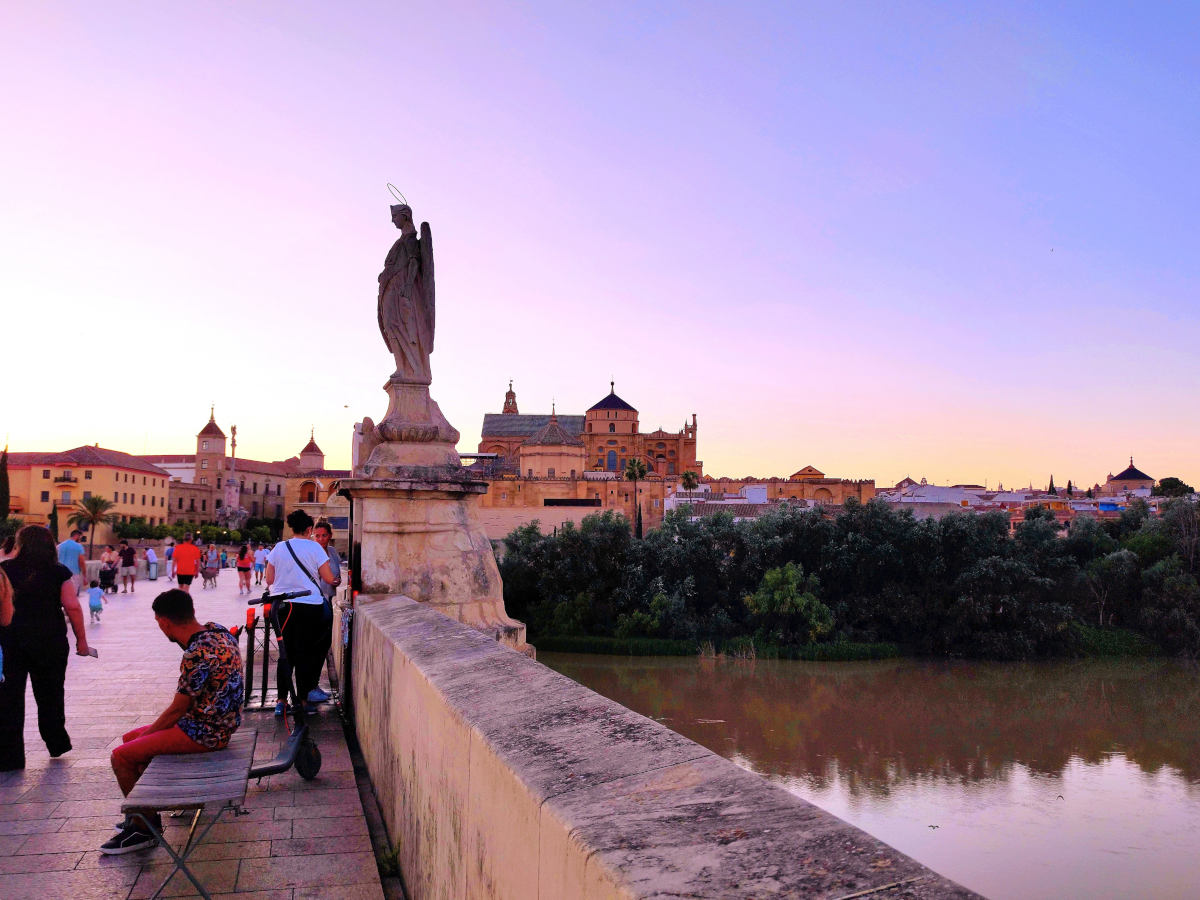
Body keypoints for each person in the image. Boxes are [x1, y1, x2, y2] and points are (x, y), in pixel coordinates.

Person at [101, 589, 243, 855]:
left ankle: (145, 830)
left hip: (205, 732)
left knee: (121, 756)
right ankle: (142, 812)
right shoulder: (218, 631)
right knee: (129, 741)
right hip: (220, 723)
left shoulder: (195, 653)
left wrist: (149, 736)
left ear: (164, 622)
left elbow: (177, 710)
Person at [0, 525, 91, 771]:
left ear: (20, 544)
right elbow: (72, 607)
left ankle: (10, 758)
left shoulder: (4, 570)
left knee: (8, 698)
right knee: (50, 694)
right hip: (49, 641)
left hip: (11, 641)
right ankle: (56, 742)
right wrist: (81, 641)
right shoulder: (58, 571)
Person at [266, 510, 334, 714]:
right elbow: (329, 578)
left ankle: (281, 701)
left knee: (286, 654)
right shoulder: (314, 547)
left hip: (283, 606)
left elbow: (269, 579)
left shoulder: (279, 547)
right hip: (308, 605)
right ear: (309, 529)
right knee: (305, 653)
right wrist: (337, 581)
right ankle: (303, 701)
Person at [307, 521, 342, 703]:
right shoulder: (312, 553)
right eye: (317, 535)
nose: (320, 539)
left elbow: (337, 574)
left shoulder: (333, 553)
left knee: (323, 647)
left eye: (324, 535)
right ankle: (309, 688)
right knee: (315, 647)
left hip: (329, 604)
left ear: (330, 535)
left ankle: (313, 686)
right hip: (315, 605)